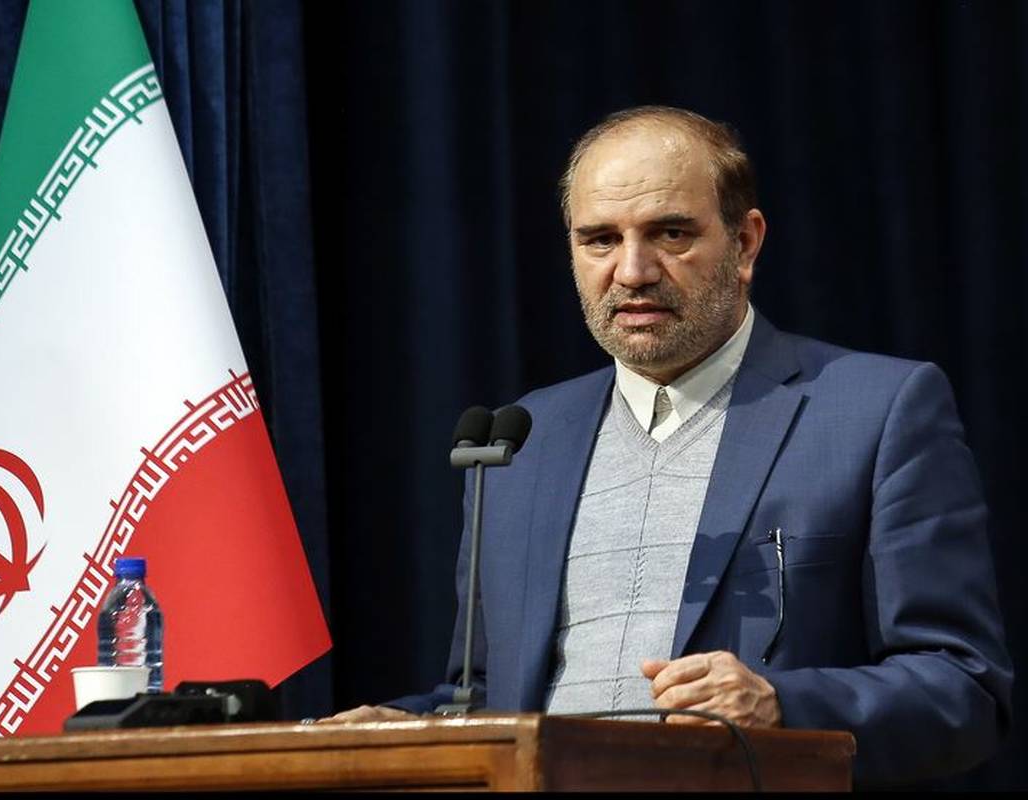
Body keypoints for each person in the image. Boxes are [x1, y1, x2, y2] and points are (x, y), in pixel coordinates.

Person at [327, 106, 1012, 787]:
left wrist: (782, 705)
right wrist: (397, 730)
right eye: (600, 239)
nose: (631, 271)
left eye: (671, 233)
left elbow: (963, 688)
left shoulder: (876, 411)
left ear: (745, 243)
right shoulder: (523, 438)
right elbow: (480, 698)